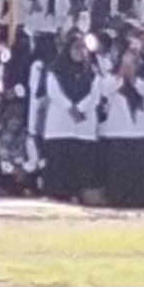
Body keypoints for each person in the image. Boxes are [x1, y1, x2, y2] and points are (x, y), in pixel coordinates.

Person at [41, 35, 99, 202]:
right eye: (76, 48)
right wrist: (70, 107)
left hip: (83, 123)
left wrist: (81, 108)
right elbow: (54, 92)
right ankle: (55, 193)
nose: (80, 52)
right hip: (60, 123)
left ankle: (76, 192)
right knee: (59, 158)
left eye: (83, 48)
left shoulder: (92, 71)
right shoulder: (55, 69)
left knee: (80, 159)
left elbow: (95, 94)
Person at [100, 47, 144, 208]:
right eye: (125, 61)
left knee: (140, 168)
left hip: (141, 130)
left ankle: (141, 199)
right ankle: (117, 198)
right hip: (118, 129)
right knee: (119, 168)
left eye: (132, 61)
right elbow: (106, 91)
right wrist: (120, 77)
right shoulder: (111, 75)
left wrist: (133, 79)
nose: (128, 65)